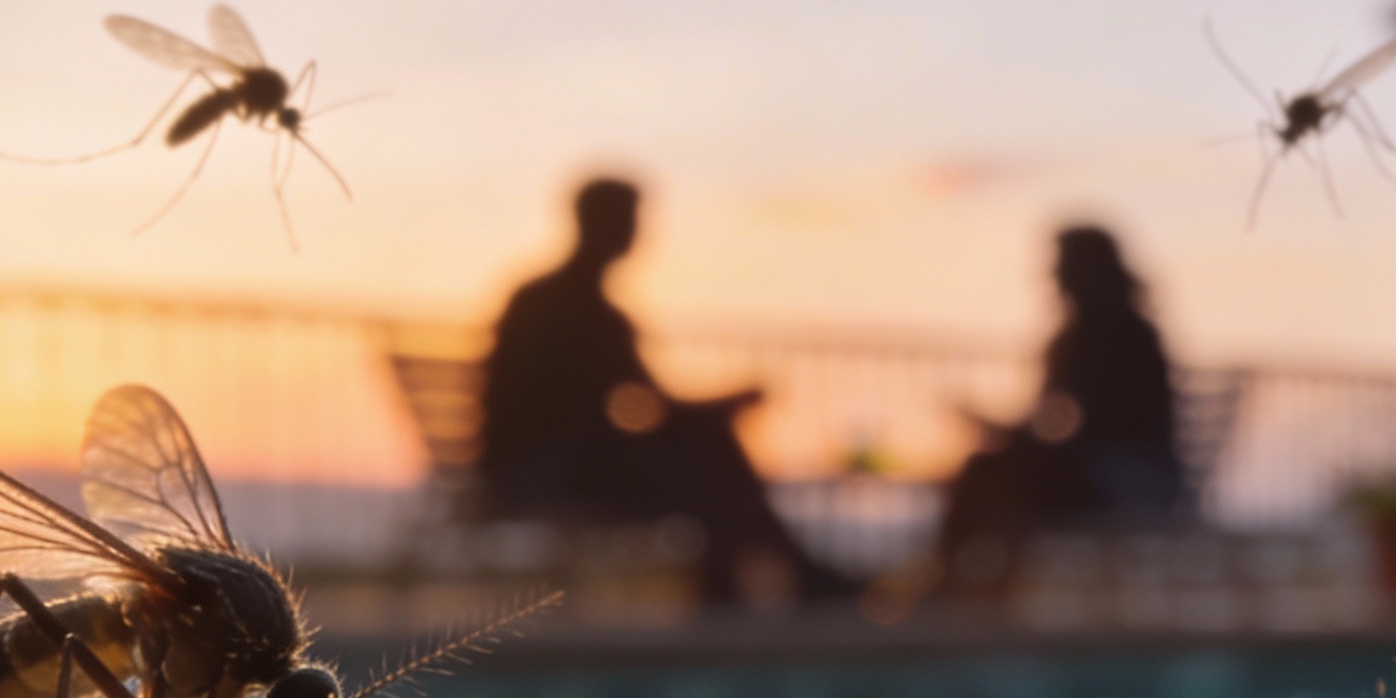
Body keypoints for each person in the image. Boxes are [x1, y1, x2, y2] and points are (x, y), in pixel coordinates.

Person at [477, 177, 847, 603]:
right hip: (549, 472)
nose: (635, 231)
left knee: (709, 451)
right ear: (598, 224)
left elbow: (639, 407)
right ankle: (757, 587)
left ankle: (744, 590)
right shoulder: (574, 308)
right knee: (709, 457)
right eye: (628, 219)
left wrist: (711, 415)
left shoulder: (566, 303)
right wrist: (724, 407)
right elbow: (648, 408)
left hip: (565, 462)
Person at [931, 225, 1187, 591]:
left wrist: (1005, 432)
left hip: (1127, 480)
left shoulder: (1113, 336)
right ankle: (970, 586)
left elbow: (1067, 427)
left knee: (989, 471)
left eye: (1062, 266)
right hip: (1115, 472)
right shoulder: (1102, 333)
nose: (1054, 276)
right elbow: (1050, 426)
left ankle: (954, 584)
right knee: (995, 472)